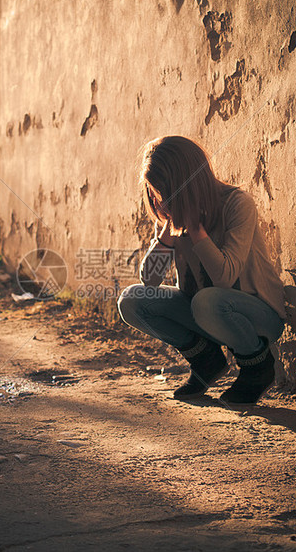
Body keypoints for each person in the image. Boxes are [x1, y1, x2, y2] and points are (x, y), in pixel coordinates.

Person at [117, 135, 287, 405]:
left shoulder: (237, 204)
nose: (157, 200)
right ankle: (206, 360)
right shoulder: (172, 217)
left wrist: (196, 229)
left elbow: (225, 277)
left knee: (207, 300)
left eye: (162, 191)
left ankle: (257, 366)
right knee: (132, 300)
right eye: (153, 191)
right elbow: (149, 281)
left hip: (257, 316)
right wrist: (168, 231)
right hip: (204, 311)